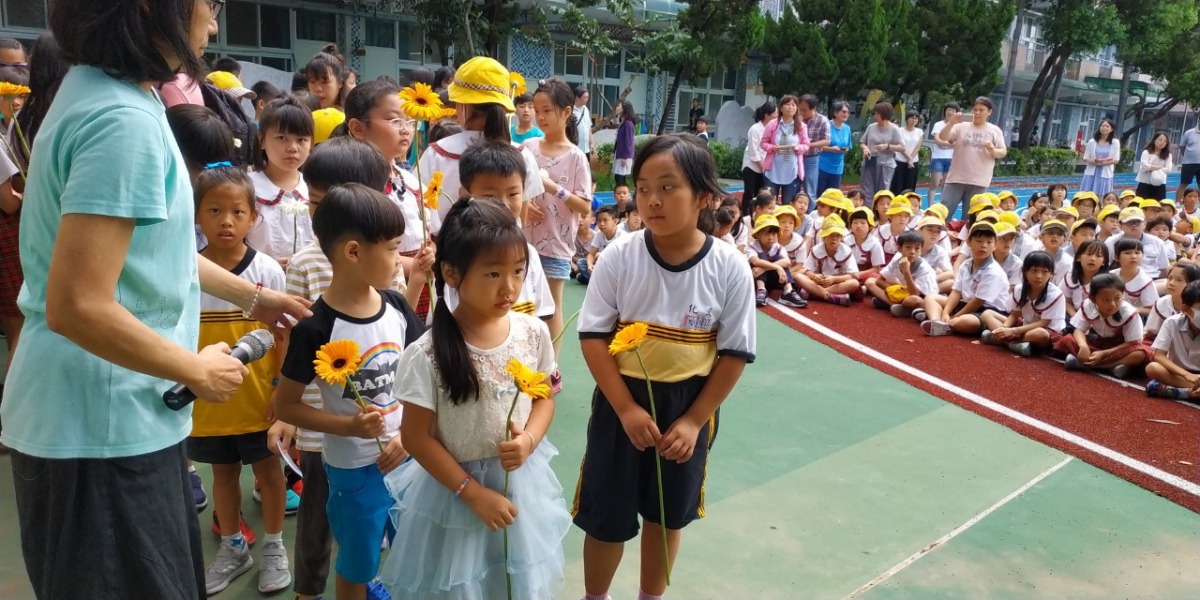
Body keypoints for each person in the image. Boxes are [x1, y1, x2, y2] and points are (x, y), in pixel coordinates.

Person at [1, 2, 310, 598]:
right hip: (101, 429)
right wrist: (195, 367)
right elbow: (78, 304)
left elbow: (150, 248)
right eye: (207, 5)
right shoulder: (122, 121)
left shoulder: (99, 92)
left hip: (102, 416)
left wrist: (253, 296)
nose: (214, 24)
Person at [574, 134, 755, 600]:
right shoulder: (620, 255)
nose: (652, 199)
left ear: (705, 197)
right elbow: (594, 337)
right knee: (607, 517)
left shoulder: (730, 267)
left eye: (669, 187)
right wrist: (626, 409)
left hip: (689, 405)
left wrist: (695, 421)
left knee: (665, 514)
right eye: (643, 187)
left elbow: (734, 353)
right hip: (621, 401)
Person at [379, 197, 570, 600]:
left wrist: (529, 441)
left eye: (519, 271)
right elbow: (415, 437)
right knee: (461, 584)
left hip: (519, 484)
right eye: (493, 274)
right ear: (451, 273)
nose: (511, 286)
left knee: (515, 578)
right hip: (455, 491)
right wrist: (472, 492)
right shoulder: (427, 352)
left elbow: (545, 398)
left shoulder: (532, 333)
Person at [274, 184, 423, 599]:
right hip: (354, 470)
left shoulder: (396, 307)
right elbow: (285, 405)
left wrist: (409, 438)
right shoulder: (315, 329)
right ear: (353, 252)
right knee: (357, 564)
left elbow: (423, 379)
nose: (400, 259)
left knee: (412, 547)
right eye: (393, 250)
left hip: (407, 457)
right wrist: (347, 425)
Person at [189, 165, 291, 595]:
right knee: (224, 476)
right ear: (196, 215)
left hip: (259, 402)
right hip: (209, 403)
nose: (226, 221)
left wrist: (281, 393)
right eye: (214, 210)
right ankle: (233, 547)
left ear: (253, 217)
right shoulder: (186, 272)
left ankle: (273, 546)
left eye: (237, 211)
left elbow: (283, 336)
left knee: (269, 475)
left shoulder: (266, 272)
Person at [418, 56, 545, 219]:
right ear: (504, 108)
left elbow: (420, 210)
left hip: (446, 243)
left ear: (462, 106)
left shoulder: (436, 154)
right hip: (505, 244)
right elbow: (521, 219)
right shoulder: (522, 154)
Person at [450, 140, 556, 323]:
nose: (504, 204)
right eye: (490, 196)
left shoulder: (528, 253)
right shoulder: (460, 254)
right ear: (465, 195)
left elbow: (543, 315)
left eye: (513, 194)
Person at [525, 78, 594, 358]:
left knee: (552, 305)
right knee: (524, 304)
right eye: (536, 110)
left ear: (566, 113)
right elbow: (515, 187)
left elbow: (584, 206)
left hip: (556, 243)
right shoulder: (528, 147)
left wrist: (553, 187)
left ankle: (551, 367)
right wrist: (524, 201)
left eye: (546, 111)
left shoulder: (577, 157)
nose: (540, 117)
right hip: (523, 240)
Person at [247, 97, 314, 266]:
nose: (293, 147)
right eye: (282, 138)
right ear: (261, 140)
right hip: (257, 281)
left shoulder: (316, 189)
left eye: (301, 140)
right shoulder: (246, 188)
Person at [920, 222, 1010, 337]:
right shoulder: (966, 264)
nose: (984, 246)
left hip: (990, 312)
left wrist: (955, 316)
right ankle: (936, 322)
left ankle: (947, 323)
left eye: (989, 242)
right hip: (967, 304)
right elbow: (956, 291)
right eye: (979, 241)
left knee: (964, 322)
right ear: (968, 242)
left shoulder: (993, 271)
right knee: (931, 297)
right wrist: (946, 312)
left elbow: (978, 301)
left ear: (995, 245)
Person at [1054, 273, 1151, 379]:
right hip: (1098, 343)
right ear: (1093, 299)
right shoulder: (1088, 305)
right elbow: (1079, 330)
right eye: (1106, 300)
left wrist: (1104, 353)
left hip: (1121, 347)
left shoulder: (1129, 313)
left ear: (1123, 295)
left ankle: (1092, 365)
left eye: (1117, 298)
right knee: (1067, 339)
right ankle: (1116, 367)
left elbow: (1133, 342)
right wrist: (1083, 346)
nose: (1113, 304)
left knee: (1140, 353)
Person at [981, 251, 1065, 356]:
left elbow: (1043, 323)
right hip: (1025, 326)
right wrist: (1003, 328)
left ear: (1051, 274)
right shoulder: (1018, 289)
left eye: (1045, 272)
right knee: (987, 314)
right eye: (1034, 270)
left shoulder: (1055, 294)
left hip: (1047, 331)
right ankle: (1010, 341)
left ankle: (1004, 340)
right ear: (1025, 271)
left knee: (1040, 334)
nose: (1039, 276)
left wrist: (1013, 331)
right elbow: (1014, 315)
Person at [936, 97, 1007, 220]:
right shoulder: (960, 126)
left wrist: (992, 150)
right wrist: (951, 123)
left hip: (979, 181)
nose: (977, 113)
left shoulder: (994, 130)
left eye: (981, 110)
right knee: (943, 214)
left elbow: (1003, 151)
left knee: (970, 218)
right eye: (975, 109)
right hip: (956, 179)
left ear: (989, 112)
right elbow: (943, 137)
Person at [1146, 280, 1200, 399]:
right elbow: (1159, 356)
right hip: (1179, 373)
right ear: (1185, 309)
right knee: (1153, 368)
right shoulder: (1172, 322)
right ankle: (1190, 392)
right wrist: (1186, 374)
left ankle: (1185, 393)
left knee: (1154, 387)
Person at [866, 230, 938, 317]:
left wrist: (906, 272)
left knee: (911, 300)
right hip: (906, 290)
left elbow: (915, 294)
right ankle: (894, 305)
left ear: (921, 250)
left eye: (917, 248)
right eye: (908, 247)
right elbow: (879, 281)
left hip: (923, 297)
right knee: (870, 282)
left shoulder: (924, 268)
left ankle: (899, 306)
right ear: (899, 249)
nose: (912, 252)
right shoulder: (897, 260)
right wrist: (894, 291)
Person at [796, 215, 859, 306]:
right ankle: (830, 296)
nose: (834, 238)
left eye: (837, 235)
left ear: (841, 237)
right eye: (830, 235)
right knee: (798, 276)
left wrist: (834, 279)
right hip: (818, 282)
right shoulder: (816, 250)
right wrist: (814, 276)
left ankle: (814, 293)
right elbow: (806, 270)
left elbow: (852, 275)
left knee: (854, 283)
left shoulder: (846, 251)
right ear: (823, 237)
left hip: (836, 284)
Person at [748, 214, 808, 308]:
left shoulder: (778, 247)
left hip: (770, 280)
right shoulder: (752, 246)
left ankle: (788, 291)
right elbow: (755, 261)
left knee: (780, 258)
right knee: (761, 257)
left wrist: (765, 269)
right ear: (758, 234)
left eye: (774, 234)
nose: (771, 237)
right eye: (767, 233)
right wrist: (777, 267)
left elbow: (787, 262)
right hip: (753, 280)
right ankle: (761, 290)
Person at [760, 95, 810, 206]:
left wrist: (797, 147)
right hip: (773, 170)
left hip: (792, 170)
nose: (790, 107)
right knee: (769, 202)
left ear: (796, 109)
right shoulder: (772, 124)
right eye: (787, 104)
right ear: (781, 108)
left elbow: (806, 145)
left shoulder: (801, 126)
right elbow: (763, 143)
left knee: (788, 203)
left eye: (793, 105)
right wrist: (773, 148)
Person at [858, 102, 905, 200]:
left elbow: (902, 147)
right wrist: (865, 148)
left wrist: (887, 146)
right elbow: (862, 141)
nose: (875, 116)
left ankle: (880, 214)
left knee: (882, 193)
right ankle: (868, 212)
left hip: (886, 164)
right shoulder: (871, 127)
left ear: (884, 114)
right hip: (870, 161)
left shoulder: (894, 129)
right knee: (867, 190)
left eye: (877, 114)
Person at [1145, 262, 1200, 339]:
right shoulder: (1161, 303)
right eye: (1170, 278)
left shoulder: (1197, 306)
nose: (1171, 283)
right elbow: (1151, 331)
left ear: (1193, 283)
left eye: (1179, 280)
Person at [742, 102, 776, 213]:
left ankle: (757, 213)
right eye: (775, 113)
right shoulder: (755, 129)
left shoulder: (773, 129)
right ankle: (746, 215)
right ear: (767, 115)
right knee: (749, 193)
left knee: (760, 194)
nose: (777, 115)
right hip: (752, 166)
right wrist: (763, 166)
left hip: (764, 167)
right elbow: (753, 151)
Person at [1113, 238, 1159, 318]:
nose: (1133, 256)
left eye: (1137, 253)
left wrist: (1128, 309)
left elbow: (1152, 309)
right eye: (1127, 253)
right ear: (1117, 257)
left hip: (1134, 319)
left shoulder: (1145, 282)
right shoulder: (1111, 276)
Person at [817, 101, 853, 199]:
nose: (846, 114)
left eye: (848, 112)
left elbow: (849, 146)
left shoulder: (847, 129)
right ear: (835, 113)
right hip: (822, 165)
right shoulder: (826, 125)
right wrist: (830, 149)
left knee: (833, 197)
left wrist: (845, 150)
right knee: (820, 195)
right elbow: (817, 145)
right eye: (843, 111)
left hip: (837, 167)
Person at [798, 95, 830, 200]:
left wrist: (808, 145)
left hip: (811, 158)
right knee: (794, 188)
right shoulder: (796, 119)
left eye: (805, 110)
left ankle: (808, 214)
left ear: (814, 109)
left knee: (810, 190)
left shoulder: (822, 120)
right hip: (796, 158)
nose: (801, 113)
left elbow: (827, 140)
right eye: (800, 110)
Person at [928, 103, 960, 203]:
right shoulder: (938, 124)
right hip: (938, 158)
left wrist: (946, 143)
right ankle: (930, 207)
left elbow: (958, 142)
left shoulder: (958, 126)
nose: (950, 112)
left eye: (953, 110)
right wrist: (950, 144)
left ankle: (943, 208)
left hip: (952, 159)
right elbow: (938, 141)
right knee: (934, 184)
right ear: (945, 111)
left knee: (946, 187)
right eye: (948, 110)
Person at [1081, 119, 1119, 197]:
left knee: (1103, 196)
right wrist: (1090, 160)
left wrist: (1103, 163)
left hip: (1105, 173)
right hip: (1091, 173)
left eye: (1107, 126)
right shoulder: (1092, 141)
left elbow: (1116, 160)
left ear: (1111, 129)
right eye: (1103, 126)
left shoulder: (1115, 142)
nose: (1104, 128)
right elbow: (1085, 157)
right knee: (1087, 195)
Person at [891, 112, 924, 195]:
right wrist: (909, 158)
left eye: (916, 118)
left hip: (913, 163)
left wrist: (911, 159)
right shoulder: (900, 131)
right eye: (912, 118)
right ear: (907, 119)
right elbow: (901, 147)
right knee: (897, 186)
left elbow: (918, 146)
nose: (914, 120)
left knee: (910, 186)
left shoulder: (919, 131)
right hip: (900, 161)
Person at [587, 205, 623, 279]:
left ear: (615, 221)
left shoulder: (622, 236)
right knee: (582, 262)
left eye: (605, 220)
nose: (601, 223)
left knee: (599, 255)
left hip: (616, 267)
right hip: (600, 265)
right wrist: (590, 265)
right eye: (599, 220)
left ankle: (593, 279)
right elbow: (591, 254)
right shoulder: (599, 234)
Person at [1136, 131, 1173, 201]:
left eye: (1165, 141)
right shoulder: (1146, 152)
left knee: (1159, 205)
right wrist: (1159, 168)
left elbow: (1168, 169)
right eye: (1160, 140)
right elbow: (1144, 166)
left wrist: (1151, 168)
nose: (1162, 142)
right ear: (1154, 140)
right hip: (1145, 182)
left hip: (1160, 183)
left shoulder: (1168, 155)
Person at [612, 100, 637, 186]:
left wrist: (625, 157)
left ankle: (624, 197)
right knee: (619, 178)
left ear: (624, 109)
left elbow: (628, 142)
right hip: (620, 154)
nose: (617, 108)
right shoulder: (623, 122)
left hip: (623, 156)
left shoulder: (628, 124)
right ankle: (624, 196)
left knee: (620, 178)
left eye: (619, 106)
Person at [1176, 120, 1200, 203]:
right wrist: (1187, 156)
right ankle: (1178, 203)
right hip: (1189, 163)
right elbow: (1182, 146)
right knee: (1184, 183)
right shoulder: (1189, 133)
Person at [574, 209, 596, 284]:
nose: (579, 220)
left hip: (589, 265)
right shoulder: (570, 235)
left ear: (592, 220)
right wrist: (574, 264)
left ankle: (589, 278)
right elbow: (567, 254)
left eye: (583, 217)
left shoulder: (596, 236)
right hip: (573, 265)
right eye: (577, 217)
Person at [573, 85, 593, 159]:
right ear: (577, 98)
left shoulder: (586, 109)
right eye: (584, 97)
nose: (587, 99)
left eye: (587, 97)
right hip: (575, 149)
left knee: (586, 170)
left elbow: (589, 127)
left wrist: (591, 143)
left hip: (586, 149)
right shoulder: (570, 111)